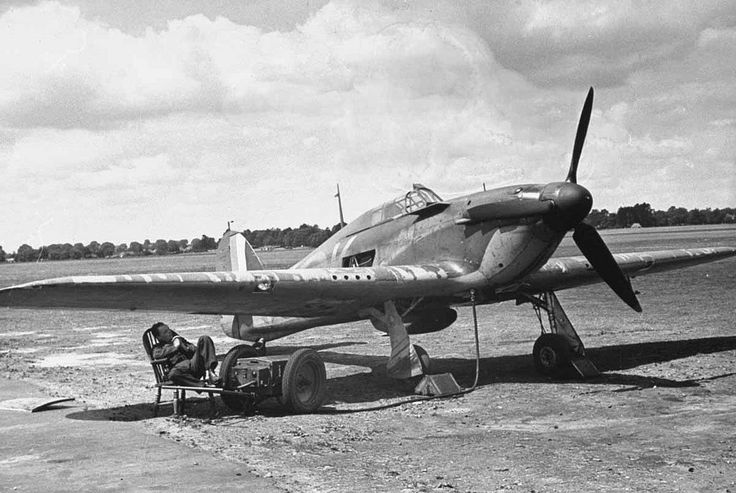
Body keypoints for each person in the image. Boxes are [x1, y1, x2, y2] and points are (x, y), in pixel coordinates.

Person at [150, 322, 220, 387]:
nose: (169, 332)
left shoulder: (179, 340)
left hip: (194, 365)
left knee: (204, 338)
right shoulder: (158, 347)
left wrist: (186, 347)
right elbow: (156, 355)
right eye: (165, 332)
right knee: (173, 374)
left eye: (169, 330)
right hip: (181, 372)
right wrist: (175, 347)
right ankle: (202, 385)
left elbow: (196, 350)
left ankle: (211, 372)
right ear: (159, 337)